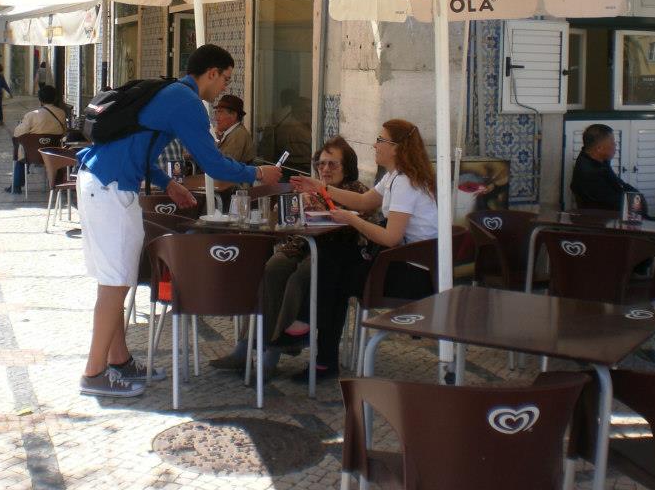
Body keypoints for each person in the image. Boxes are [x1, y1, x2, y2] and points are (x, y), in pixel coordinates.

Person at [74, 44, 283, 398]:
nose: (224, 88)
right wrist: (259, 173)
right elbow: (213, 164)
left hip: (100, 180)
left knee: (115, 282)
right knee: (114, 284)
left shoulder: (170, 92)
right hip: (111, 187)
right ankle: (94, 374)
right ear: (211, 73)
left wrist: (168, 184)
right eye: (225, 78)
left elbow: (139, 147)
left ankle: (119, 360)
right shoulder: (188, 103)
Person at [290, 118, 439, 380]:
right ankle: (319, 350)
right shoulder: (394, 176)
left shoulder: (405, 183)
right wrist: (321, 187)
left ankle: (316, 344)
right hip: (399, 262)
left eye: (381, 140)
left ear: (396, 147)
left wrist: (351, 219)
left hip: (413, 275)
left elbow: (391, 237)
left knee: (334, 274)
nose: (375, 145)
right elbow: (362, 201)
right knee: (332, 260)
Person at [209, 136, 370, 376]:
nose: (325, 169)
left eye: (332, 164)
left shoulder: (357, 190)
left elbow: (355, 222)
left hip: (335, 252)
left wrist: (321, 204)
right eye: (321, 164)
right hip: (301, 246)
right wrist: (291, 206)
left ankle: (274, 352)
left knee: (300, 277)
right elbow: (284, 222)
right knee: (272, 269)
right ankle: (245, 347)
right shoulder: (309, 188)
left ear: (346, 167)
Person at [4, 85, 67, 194]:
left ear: (40, 99)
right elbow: (64, 131)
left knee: (22, 152)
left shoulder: (31, 115)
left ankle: (16, 185)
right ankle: (58, 183)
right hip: (53, 153)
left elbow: (17, 133)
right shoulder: (61, 113)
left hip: (33, 154)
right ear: (55, 98)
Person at [570, 124, 646, 213]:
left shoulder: (597, 158)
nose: (615, 145)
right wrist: (637, 201)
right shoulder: (589, 174)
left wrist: (637, 195)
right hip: (602, 217)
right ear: (599, 148)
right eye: (612, 142)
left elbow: (618, 183)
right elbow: (615, 203)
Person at [212, 94, 255, 163]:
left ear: (234, 115)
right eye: (216, 113)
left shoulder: (238, 135)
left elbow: (223, 165)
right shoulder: (233, 133)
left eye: (220, 112)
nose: (216, 118)